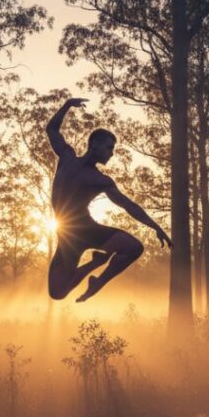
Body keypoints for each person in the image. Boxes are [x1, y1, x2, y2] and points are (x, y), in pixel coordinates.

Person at [46, 97, 172, 302]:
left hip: (86, 229)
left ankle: (98, 282)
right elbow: (52, 129)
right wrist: (67, 104)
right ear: (94, 144)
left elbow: (128, 205)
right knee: (57, 293)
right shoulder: (67, 157)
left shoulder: (101, 180)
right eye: (109, 148)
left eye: (112, 149)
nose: (111, 154)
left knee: (135, 248)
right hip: (66, 235)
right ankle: (95, 263)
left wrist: (155, 226)